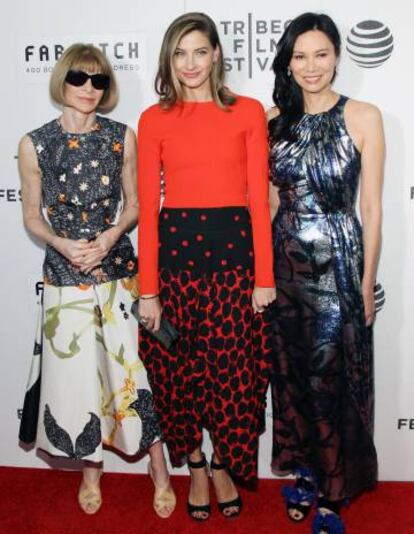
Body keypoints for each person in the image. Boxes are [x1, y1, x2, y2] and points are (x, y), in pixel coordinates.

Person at [18, 43, 175, 518]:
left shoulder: (120, 136)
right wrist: (64, 245)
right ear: (62, 81)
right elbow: (31, 215)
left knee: (132, 374)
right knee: (79, 377)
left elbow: (136, 204)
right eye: (79, 79)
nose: (89, 89)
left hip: (117, 268)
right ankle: (91, 468)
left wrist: (108, 238)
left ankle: (159, 469)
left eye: (99, 81)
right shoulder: (34, 143)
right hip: (65, 274)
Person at [137, 12, 276, 521]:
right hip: (174, 266)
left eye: (199, 51)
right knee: (177, 374)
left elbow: (258, 201)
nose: (190, 63)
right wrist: (147, 291)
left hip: (234, 265)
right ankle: (194, 465)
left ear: (217, 54)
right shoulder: (154, 119)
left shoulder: (248, 111)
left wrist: (264, 277)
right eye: (179, 53)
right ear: (168, 60)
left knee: (232, 373)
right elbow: (149, 213)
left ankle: (223, 463)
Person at [268, 12, 384, 534]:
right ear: (288, 63)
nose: (311, 66)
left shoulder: (363, 115)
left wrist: (365, 284)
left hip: (338, 266)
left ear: (337, 55)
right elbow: (268, 202)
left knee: (330, 379)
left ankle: (335, 492)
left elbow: (373, 210)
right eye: (300, 56)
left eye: (321, 54)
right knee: (291, 378)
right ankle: (307, 473)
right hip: (284, 267)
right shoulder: (274, 120)